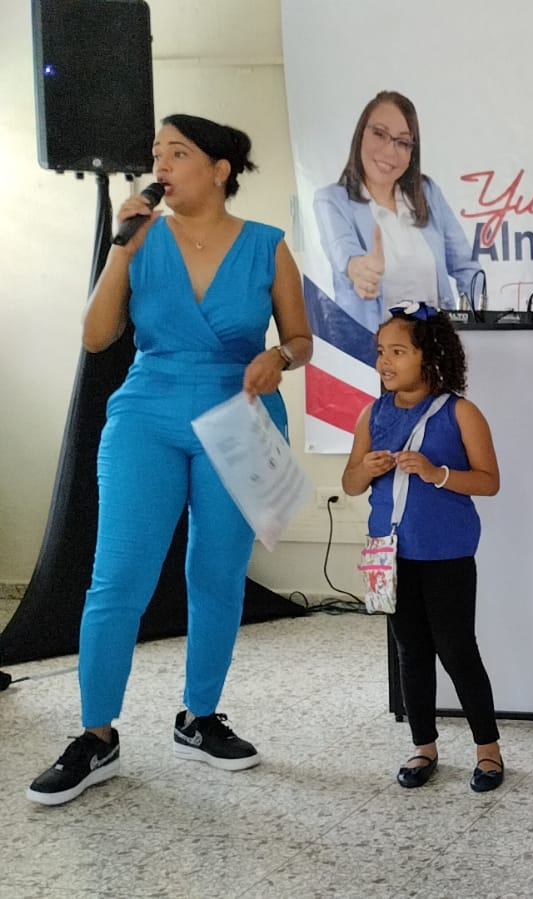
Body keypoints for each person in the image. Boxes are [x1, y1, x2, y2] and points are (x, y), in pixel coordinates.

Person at [27, 115, 312, 806]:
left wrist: (278, 356)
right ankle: (96, 735)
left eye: (177, 153)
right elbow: (97, 337)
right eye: (157, 153)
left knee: (216, 573)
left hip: (236, 418)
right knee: (117, 578)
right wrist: (121, 249)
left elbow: (301, 338)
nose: (161, 165)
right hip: (146, 412)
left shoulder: (267, 245)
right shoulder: (141, 237)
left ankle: (199, 717)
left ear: (219, 169)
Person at [341, 302, 505, 792]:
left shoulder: (461, 412)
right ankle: (423, 746)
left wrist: (438, 474)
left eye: (397, 352)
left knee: (457, 650)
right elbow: (350, 483)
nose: (384, 362)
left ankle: (488, 750)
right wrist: (366, 469)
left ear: (429, 356)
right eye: (380, 352)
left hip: (446, 552)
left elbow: (489, 481)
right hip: (387, 553)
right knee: (409, 651)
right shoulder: (372, 413)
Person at [314, 91, 483, 333]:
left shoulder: (428, 193)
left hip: (435, 346)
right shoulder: (331, 200)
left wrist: (474, 326)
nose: (389, 151)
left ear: (412, 152)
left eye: (402, 142)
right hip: (372, 350)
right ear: (361, 134)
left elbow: (468, 268)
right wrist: (359, 269)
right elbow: (343, 251)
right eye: (379, 134)